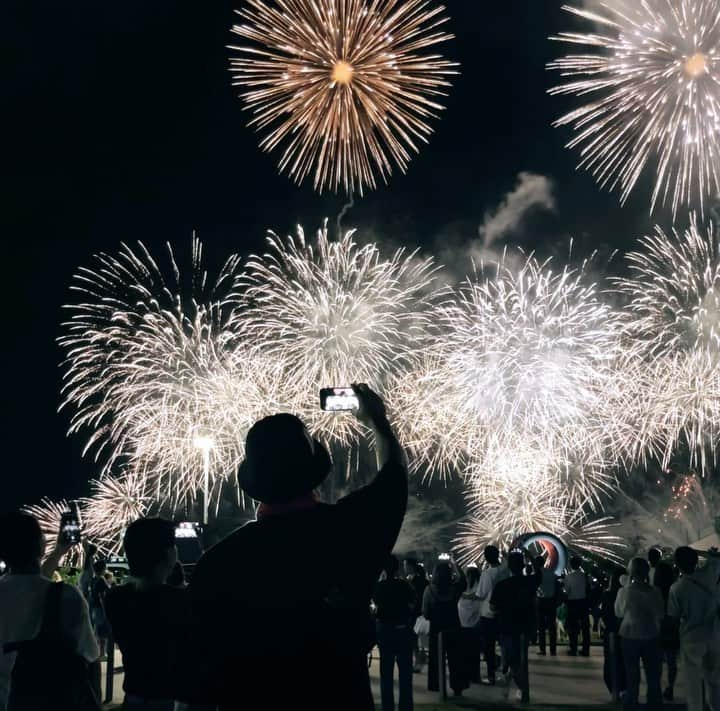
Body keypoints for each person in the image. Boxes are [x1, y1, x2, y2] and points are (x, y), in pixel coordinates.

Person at [179, 384, 407, 711]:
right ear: (313, 471)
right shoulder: (349, 531)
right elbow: (394, 474)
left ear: (256, 485)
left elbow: (199, 686)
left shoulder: (218, 563)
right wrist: (377, 420)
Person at [0, 511, 99, 711]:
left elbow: (28, 585)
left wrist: (58, 552)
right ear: (42, 545)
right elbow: (90, 656)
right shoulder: (67, 596)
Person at [104, 518, 188, 711]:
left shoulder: (115, 598)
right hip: (169, 700)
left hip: (132, 698)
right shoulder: (180, 601)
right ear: (169, 554)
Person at [667, 546, 720, 711]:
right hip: (714, 633)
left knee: (693, 682)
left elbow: (673, 616)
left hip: (691, 637)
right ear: (696, 561)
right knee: (715, 680)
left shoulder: (677, 588)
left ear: (677, 564)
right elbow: (717, 558)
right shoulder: (710, 575)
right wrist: (704, 553)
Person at [614, 557, 664, 711]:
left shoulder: (624, 591)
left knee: (632, 674)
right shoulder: (655, 592)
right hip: (651, 634)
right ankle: (654, 704)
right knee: (653, 674)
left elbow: (618, 612)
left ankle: (632, 703)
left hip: (629, 634)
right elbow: (660, 613)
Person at [490, 552, 540, 702]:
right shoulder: (530, 582)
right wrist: (530, 557)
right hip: (525, 626)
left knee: (512, 659)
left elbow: (492, 607)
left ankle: (520, 686)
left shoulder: (502, 585)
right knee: (520, 659)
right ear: (523, 566)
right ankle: (521, 687)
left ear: (509, 567)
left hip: (507, 627)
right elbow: (539, 573)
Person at [373, 555, 415, 711]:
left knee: (386, 674)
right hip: (403, 630)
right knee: (405, 674)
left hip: (386, 631)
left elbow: (376, 604)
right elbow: (412, 605)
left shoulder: (379, 586)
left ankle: (387, 707)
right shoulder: (405, 585)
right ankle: (406, 707)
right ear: (397, 568)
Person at [422, 558, 465, 695]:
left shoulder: (429, 590)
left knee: (435, 658)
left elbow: (425, 612)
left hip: (436, 627)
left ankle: (436, 685)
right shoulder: (454, 588)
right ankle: (457, 687)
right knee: (456, 658)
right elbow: (463, 580)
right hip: (453, 625)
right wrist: (454, 565)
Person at [475, 545, 509, 684]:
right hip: (504, 612)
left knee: (489, 646)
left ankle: (491, 676)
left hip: (488, 613)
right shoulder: (505, 569)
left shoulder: (487, 574)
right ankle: (506, 671)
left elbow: (480, 594)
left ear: (486, 558)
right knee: (504, 643)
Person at [652, 560, 679, 701]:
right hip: (672, 627)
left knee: (656, 661)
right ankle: (670, 687)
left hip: (656, 628)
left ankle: (656, 687)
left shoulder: (653, 591)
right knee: (671, 661)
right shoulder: (675, 589)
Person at [600, 568, 626, 699]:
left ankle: (614, 691)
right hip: (624, 632)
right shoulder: (627, 594)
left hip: (611, 632)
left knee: (611, 661)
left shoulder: (608, 594)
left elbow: (605, 614)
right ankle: (623, 690)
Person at [457, 565, 482, 684]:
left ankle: (474, 675)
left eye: (468, 576)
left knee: (472, 651)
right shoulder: (467, 586)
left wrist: (461, 596)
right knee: (468, 652)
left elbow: (475, 597)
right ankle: (471, 674)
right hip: (465, 623)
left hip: (473, 623)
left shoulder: (477, 587)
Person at [563, 556, 591, 656]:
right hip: (583, 603)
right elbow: (589, 589)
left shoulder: (568, 577)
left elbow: (567, 591)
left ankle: (573, 648)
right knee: (585, 628)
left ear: (571, 565)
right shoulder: (585, 576)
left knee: (572, 628)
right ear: (580, 564)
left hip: (572, 603)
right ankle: (586, 649)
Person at [404, 559, 428, 672]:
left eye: (405, 565)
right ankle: (419, 660)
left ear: (410, 566)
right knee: (417, 640)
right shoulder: (421, 580)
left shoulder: (414, 581)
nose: (404, 568)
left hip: (414, 614)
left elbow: (415, 599)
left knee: (413, 640)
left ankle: (417, 662)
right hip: (420, 613)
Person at [533, 555, 559, 656]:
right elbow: (556, 587)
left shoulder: (537, 574)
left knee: (541, 627)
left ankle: (542, 649)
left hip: (541, 601)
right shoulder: (551, 573)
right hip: (551, 601)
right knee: (552, 627)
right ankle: (553, 650)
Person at [89, 560, 111, 658]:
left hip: (94, 607)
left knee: (97, 631)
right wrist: (106, 611)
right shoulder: (101, 580)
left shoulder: (93, 579)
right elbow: (102, 596)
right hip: (100, 608)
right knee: (102, 632)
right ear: (103, 568)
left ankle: (99, 652)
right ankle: (102, 653)